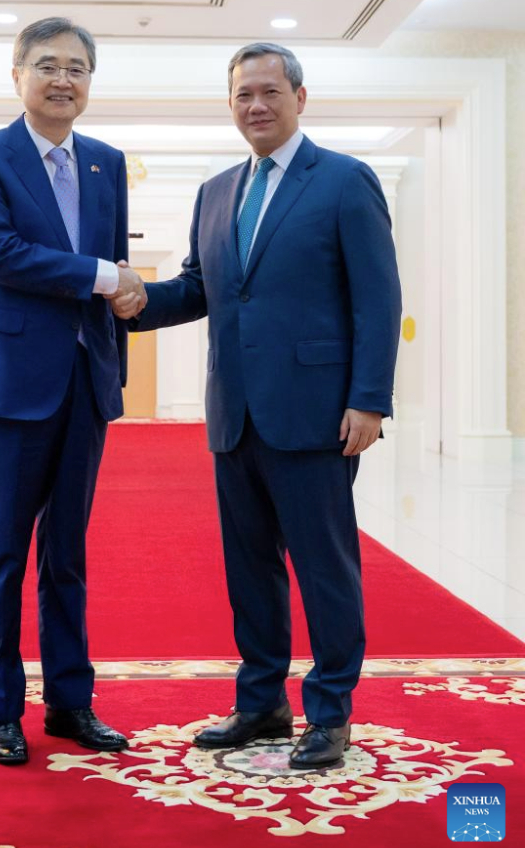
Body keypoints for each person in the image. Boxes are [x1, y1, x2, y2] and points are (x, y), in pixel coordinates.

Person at [114, 43, 401, 769]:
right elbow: (201, 288)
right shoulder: (215, 192)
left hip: (316, 415)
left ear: (300, 98)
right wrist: (136, 299)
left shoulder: (343, 180)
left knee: (325, 567)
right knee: (251, 569)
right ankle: (262, 701)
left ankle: (330, 711)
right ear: (232, 104)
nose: (257, 106)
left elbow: (377, 298)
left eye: (270, 91)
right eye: (243, 95)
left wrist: (369, 399)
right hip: (234, 414)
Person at [0, 17, 146, 765]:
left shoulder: (105, 163)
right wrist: (105, 278)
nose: (62, 79)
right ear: (17, 76)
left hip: (83, 385)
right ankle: (1, 709)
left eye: (76, 68)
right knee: (2, 554)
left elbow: (118, 270)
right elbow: (0, 256)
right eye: (46, 66)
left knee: (67, 556)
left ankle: (71, 703)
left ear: (89, 82)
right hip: (8, 388)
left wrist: (114, 363)